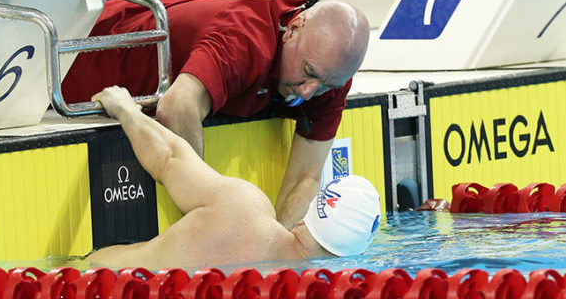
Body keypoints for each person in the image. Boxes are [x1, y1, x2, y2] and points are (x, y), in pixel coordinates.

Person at [62, 0, 370, 230]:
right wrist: (212, 211)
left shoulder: (330, 72)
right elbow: (176, 106)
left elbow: (307, 175)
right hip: (84, 50)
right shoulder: (245, 39)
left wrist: (275, 247)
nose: (308, 91)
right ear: (293, 29)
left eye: (326, 84)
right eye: (307, 72)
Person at [85, 86, 381, 269]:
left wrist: (125, 110)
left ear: (308, 216)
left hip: (83, 280)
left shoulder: (243, 208)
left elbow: (168, 158)